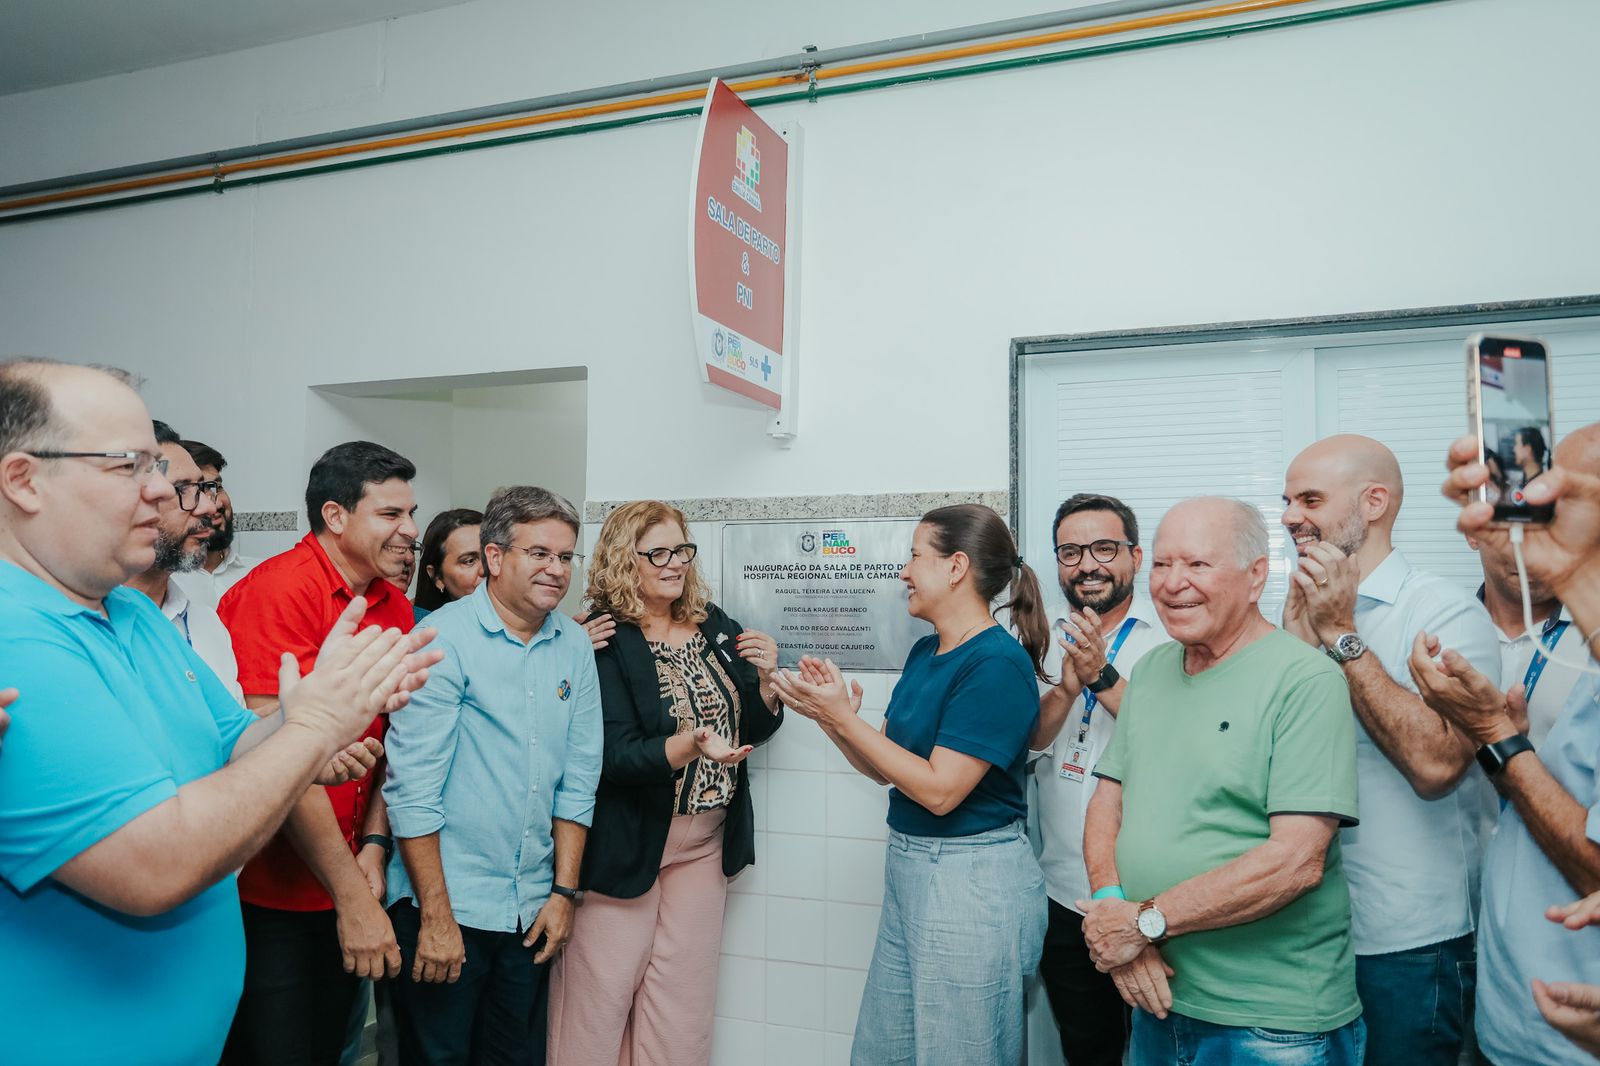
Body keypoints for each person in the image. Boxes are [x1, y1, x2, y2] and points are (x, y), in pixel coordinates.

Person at [0, 359, 438, 1064]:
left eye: (156, 466)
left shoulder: (128, 613)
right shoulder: (15, 635)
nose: (161, 490)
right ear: (24, 481)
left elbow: (236, 743)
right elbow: (157, 865)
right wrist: (314, 729)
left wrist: (311, 708)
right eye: (128, 466)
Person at [1079, 496, 1363, 1064]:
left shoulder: (1305, 680)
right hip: (1157, 999)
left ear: (1256, 576)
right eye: (1163, 564)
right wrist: (1114, 916)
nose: (1173, 583)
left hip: (1270, 1024)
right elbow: (1107, 804)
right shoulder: (1151, 671)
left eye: (1197, 564)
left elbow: (1295, 862)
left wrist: (1144, 922)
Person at [771, 503, 1047, 1066]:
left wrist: (842, 719)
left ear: (956, 567)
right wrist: (831, 719)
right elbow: (887, 769)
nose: (903, 572)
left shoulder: (996, 663)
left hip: (972, 880)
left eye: (915, 556)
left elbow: (940, 791)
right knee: (884, 1052)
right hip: (911, 867)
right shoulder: (926, 651)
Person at [1279, 433, 1500, 1065]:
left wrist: (1340, 634)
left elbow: (1437, 766)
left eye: (1309, 500)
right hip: (1305, 934)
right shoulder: (1294, 610)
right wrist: (1292, 648)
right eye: (1288, 501)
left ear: (1373, 503)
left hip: (1410, 944)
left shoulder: (1444, 612)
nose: (1290, 516)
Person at [547, 500, 783, 1066]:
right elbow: (611, 757)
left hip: (704, 845)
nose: (675, 562)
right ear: (623, 558)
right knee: (598, 1003)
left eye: (681, 549)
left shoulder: (713, 623)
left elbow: (748, 726)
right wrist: (689, 744)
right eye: (657, 552)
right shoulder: (603, 637)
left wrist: (766, 682)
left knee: (682, 1009)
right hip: (628, 840)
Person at [220, 441, 423, 1066]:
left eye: (411, 513)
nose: (410, 531)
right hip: (271, 894)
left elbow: (394, 743)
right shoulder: (277, 591)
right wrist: (353, 895)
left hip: (351, 872)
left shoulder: (393, 603)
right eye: (390, 514)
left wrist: (375, 846)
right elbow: (273, 758)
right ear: (335, 516)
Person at [385, 486, 602, 1066]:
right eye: (540, 553)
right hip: (446, 907)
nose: (556, 570)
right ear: (496, 557)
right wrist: (436, 917)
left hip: (529, 913)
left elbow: (579, 780)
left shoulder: (574, 645)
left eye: (565, 557)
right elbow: (412, 792)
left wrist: (563, 894)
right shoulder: (440, 640)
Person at [1411, 424, 1600, 1066]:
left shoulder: (1582, 647)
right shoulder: (1438, 628)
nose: (1542, 510)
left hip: (1563, 1018)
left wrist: (1496, 737)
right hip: (1495, 975)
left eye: (1566, 498)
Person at [1030, 493, 1168, 1065]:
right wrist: (1066, 689)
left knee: (1165, 1049)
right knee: (1088, 1051)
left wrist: (1099, 675)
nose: (1087, 565)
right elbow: (1030, 742)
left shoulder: (1172, 635)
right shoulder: (1037, 635)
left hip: (1151, 898)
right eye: (1071, 552)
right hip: (1063, 894)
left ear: (1135, 556)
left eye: (1104, 548)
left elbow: (1175, 742)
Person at [124, 420, 244, 703]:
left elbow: (233, 727)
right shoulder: (81, 625)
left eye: (203, 489)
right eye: (182, 489)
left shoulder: (206, 624)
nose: (208, 507)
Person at [172, 437, 259, 608]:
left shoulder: (260, 573)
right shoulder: (165, 585)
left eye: (216, 487)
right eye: (197, 491)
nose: (216, 504)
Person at [413, 507, 484, 620]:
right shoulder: (425, 626)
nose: (486, 569)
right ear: (437, 577)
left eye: (492, 556)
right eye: (469, 561)